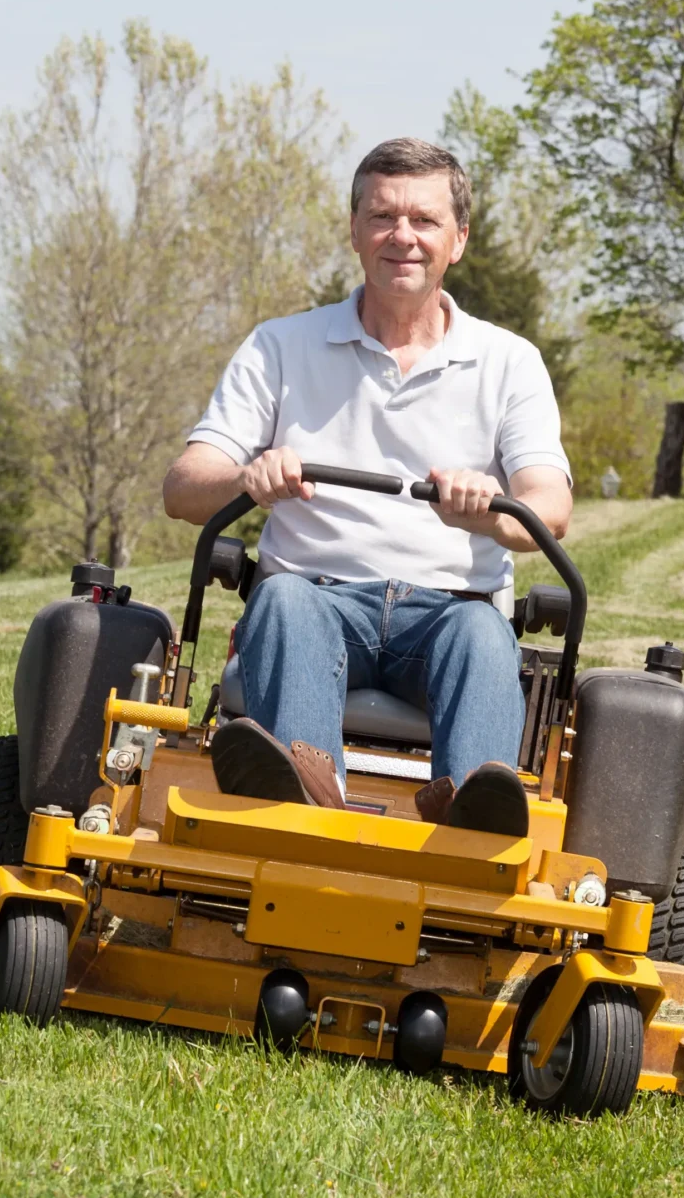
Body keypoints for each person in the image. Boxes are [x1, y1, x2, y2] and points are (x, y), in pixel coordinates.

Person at [161, 138, 572, 834]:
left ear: (459, 239)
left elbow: (550, 508)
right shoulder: (280, 346)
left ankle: (473, 816)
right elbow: (183, 487)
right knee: (284, 600)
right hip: (316, 601)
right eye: (382, 217)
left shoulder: (510, 362)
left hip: (450, 610)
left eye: (424, 220)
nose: (402, 237)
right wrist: (248, 479)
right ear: (355, 231)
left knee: (481, 632)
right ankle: (304, 794)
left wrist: (489, 513)